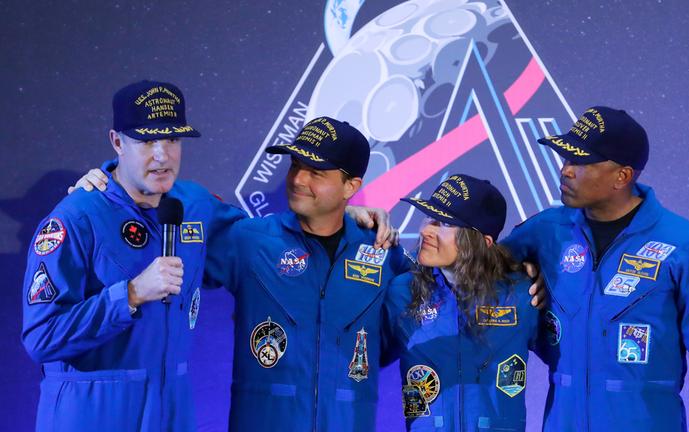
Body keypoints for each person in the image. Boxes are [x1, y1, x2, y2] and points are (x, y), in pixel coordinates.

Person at [502, 106, 689, 431]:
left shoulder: (686, 246)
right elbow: (475, 279)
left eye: (581, 162)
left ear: (622, 176)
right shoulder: (545, 232)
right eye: (566, 160)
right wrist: (523, 277)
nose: (566, 171)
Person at [21, 80, 213, 431]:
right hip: (92, 414)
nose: (162, 155)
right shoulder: (76, 217)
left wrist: (349, 213)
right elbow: (41, 337)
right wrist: (131, 294)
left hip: (171, 413)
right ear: (116, 142)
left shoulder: (196, 206)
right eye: (147, 140)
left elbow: (266, 244)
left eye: (172, 139)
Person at [200, 117, 413, 431]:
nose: (298, 179)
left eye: (316, 172)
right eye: (295, 165)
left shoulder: (384, 253)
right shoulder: (250, 240)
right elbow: (169, 206)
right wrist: (109, 177)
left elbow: (415, 322)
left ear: (351, 186)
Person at [383, 174, 539, 431]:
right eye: (428, 218)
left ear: (482, 242)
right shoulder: (402, 292)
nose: (424, 230)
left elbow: (575, 359)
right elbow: (354, 360)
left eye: (442, 223)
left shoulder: (522, 295)